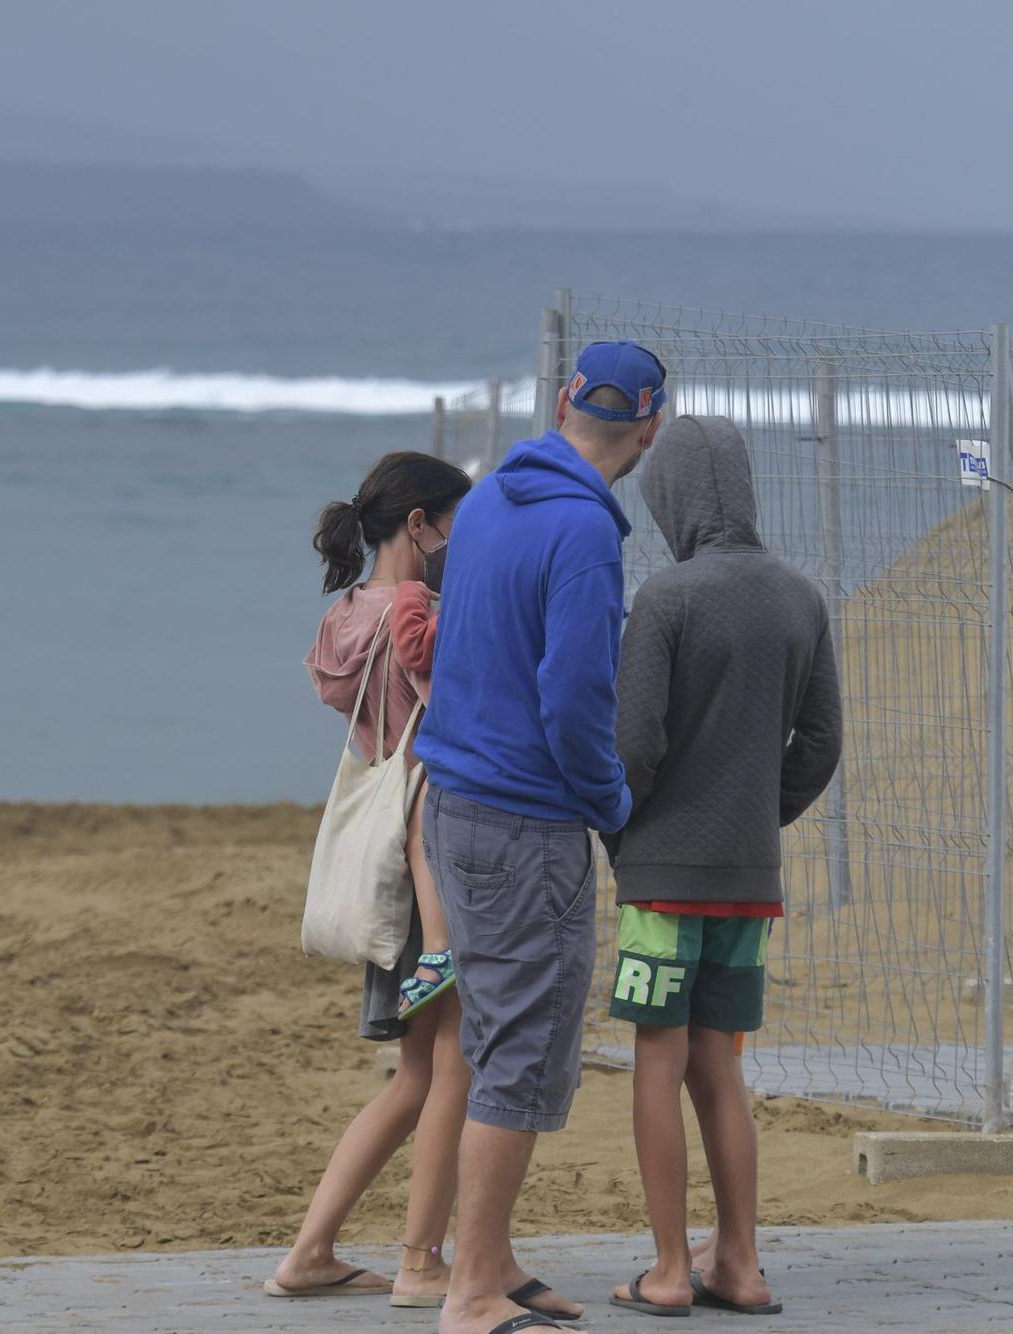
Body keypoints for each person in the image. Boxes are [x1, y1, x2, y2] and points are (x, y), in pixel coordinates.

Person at [416, 340, 670, 1334]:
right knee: (522, 1051)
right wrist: (613, 808)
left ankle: (488, 1257)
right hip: (525, 818)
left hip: (454, 802)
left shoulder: (484, 499)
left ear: (564, 400)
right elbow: (574, 702)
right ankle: (468, 1289)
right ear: (647, 429)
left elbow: (470, 636)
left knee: (488, 1037)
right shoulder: (580, 530)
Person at [604, 416, 842, 1319]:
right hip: (751, 877)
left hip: (661, 876)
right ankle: (740, 1264)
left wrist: (623, 837)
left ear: (669, 500)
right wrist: (757, 818)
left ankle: (668, 1270)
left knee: (656, 1059)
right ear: (742, 490)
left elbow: (633, 744)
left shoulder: (666, 599)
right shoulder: (801, 597)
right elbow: (819, 742)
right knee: (722, 1067)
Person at [266, 450, 472, 1308]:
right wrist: (444, 938)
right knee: (452, 1070)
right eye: (452, 525)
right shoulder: (415, 609)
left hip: (382, 864)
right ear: (418, 526)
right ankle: (423, 1264)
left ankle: (311, 1250)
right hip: (430, 877)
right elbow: (448, 723)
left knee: (414, 1078)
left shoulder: (349, 610)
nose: (462, 541)